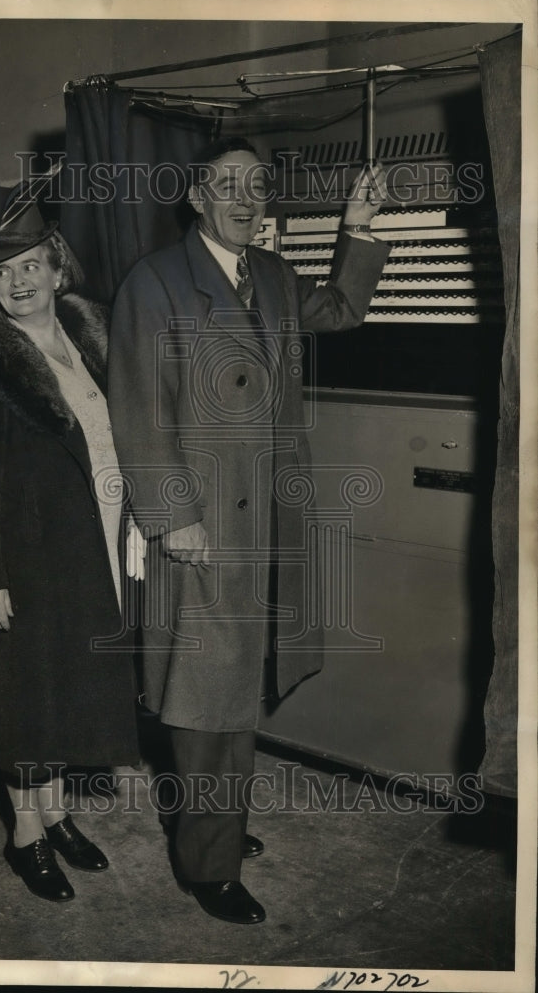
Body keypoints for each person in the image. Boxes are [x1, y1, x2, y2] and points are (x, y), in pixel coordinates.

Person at [107, 136, 390, 924]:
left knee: (234, 688)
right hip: (199, 523)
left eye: (256, 184)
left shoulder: (269, 273)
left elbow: (339, 311)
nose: (244, 197)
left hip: (264, 519)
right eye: (226, 184)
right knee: (204, 700)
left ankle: (216, 824)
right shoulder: (155, 281)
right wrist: (173, 518)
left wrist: (356, 228)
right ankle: (211, 865)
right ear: (195, 197)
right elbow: (138, 407)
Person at [0, 191, 142, 903]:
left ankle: (54, 814)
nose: (17, 281)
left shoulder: (88, 340)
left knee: (62, 687)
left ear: (58, 270)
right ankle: (25, 835)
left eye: (29, 266)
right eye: (1, 273)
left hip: (91, 540)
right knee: (26, 697)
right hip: (22, 552)